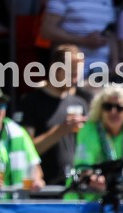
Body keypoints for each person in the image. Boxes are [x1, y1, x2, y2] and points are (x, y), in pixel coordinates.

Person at [17, 45, 90, 185]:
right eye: (71, 74)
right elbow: (25, 151)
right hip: (42, 188)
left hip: (74, 187)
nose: (75, 80)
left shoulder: (80, 103)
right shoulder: (30, 102)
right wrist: (60, 131)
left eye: (78, 75)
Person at [40, 0, 117, 73]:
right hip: (68, 71)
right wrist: (84, 41)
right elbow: (47, 31)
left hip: (100, 71)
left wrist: (115, 61)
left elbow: (111, 33)